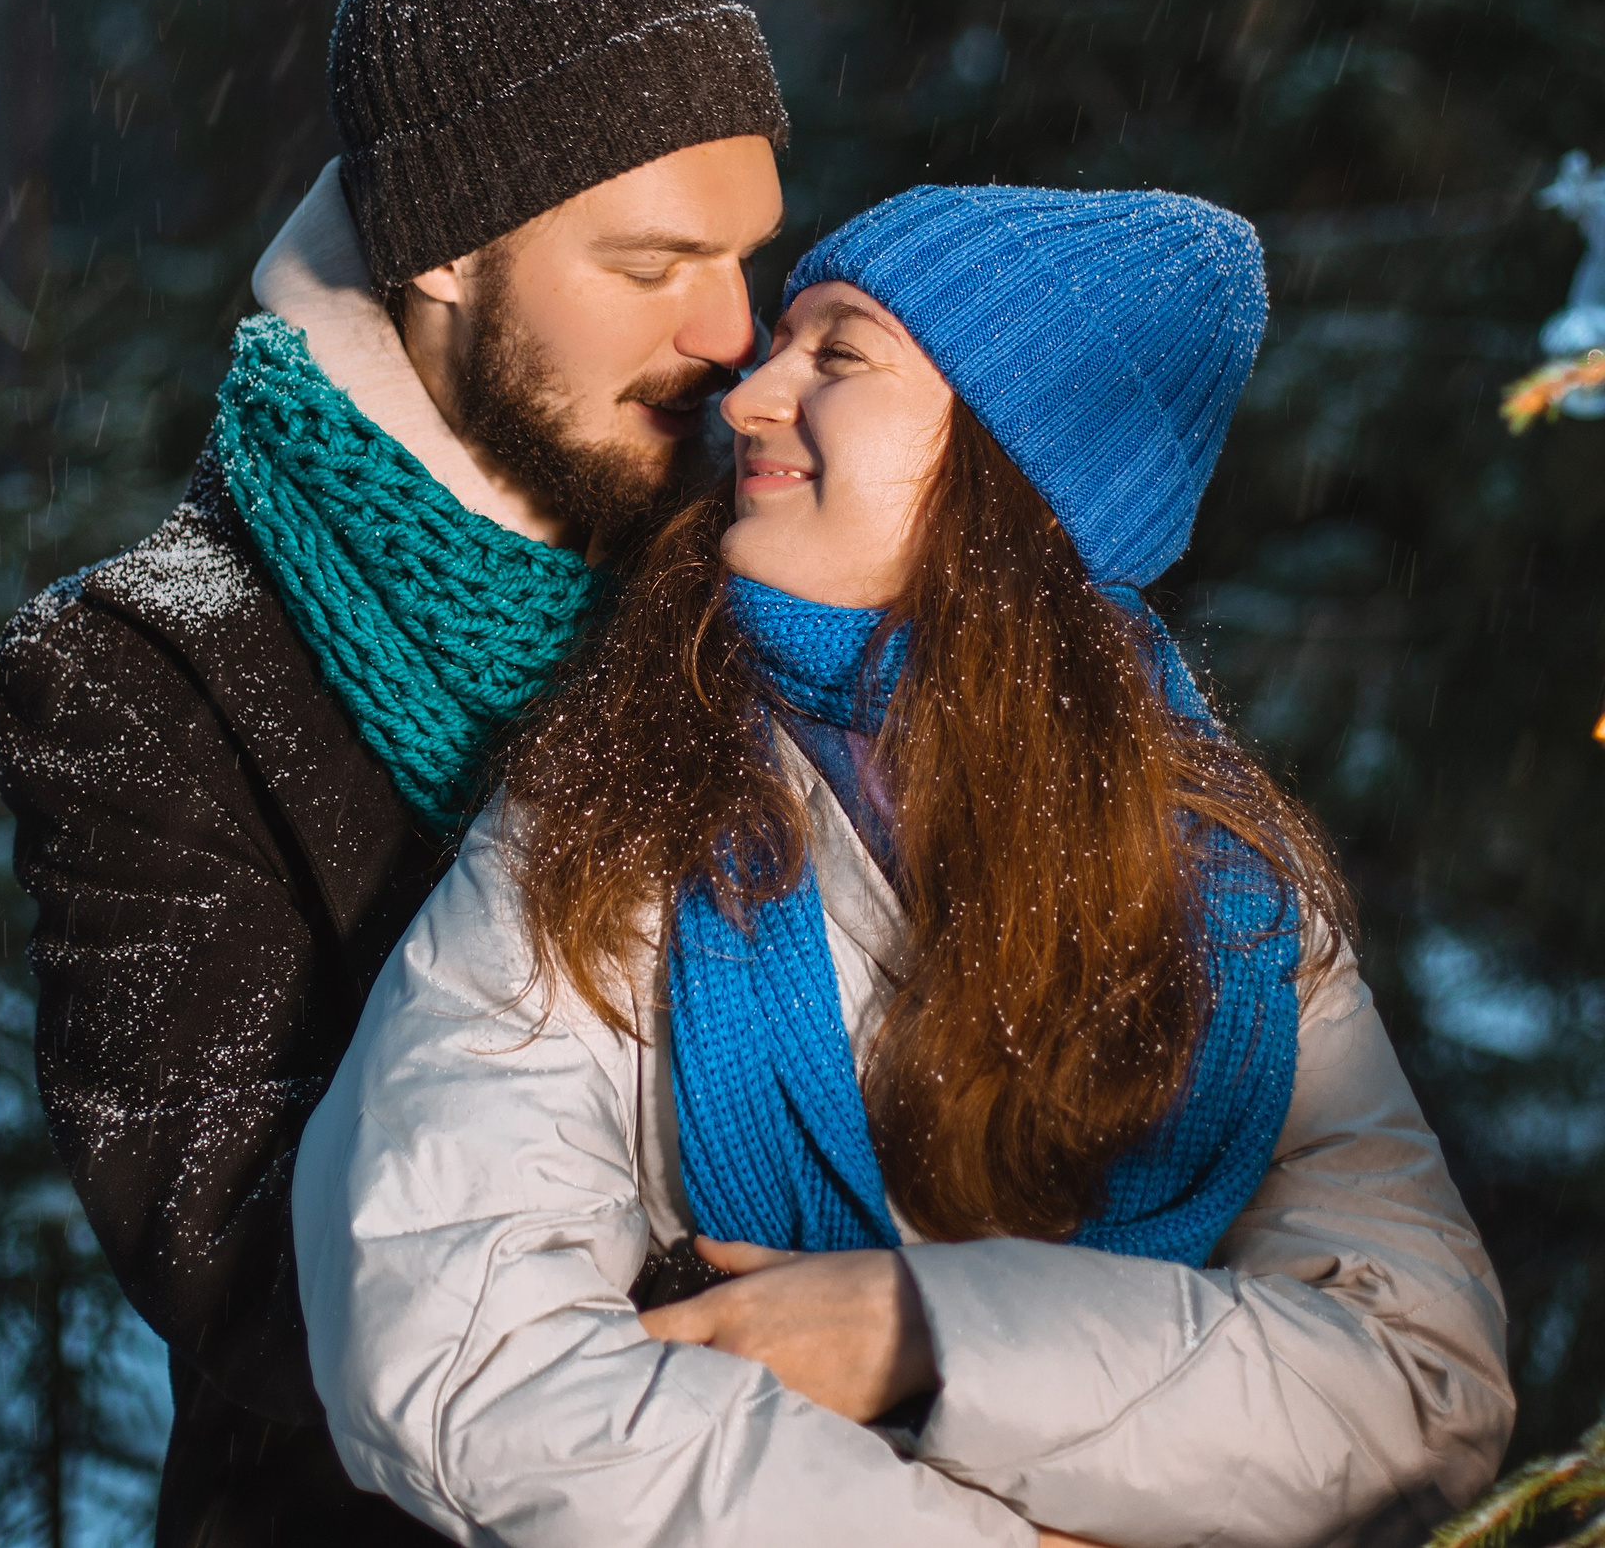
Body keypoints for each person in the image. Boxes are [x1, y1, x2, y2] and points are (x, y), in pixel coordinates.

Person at [294, 184, 1513, 1548]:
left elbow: (1422, 1378)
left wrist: (922, 1331)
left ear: (1015, 466)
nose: (750, 393)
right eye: (783, 345)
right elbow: (450, 1339)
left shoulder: (1223, 872)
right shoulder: (618, 799)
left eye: (842, 353)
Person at [0, 0, 790, 1546]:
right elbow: (239, 1237)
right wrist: (765, 1292)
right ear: (442, 250)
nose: (734, 331)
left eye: (748, 255)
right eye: (653, 267)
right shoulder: (139, 672)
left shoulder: (762, 554)